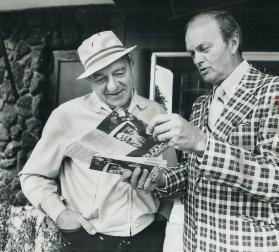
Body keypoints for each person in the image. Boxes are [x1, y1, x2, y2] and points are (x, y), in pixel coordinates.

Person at [124, 11, 279, 252]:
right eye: (192, 53)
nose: (197, 59)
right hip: (197, 244)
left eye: (204, 48)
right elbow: (194, 175)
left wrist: (202, 142)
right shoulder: (201, 105)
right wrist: (159, 178)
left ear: (233, 42)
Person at [19, 31, 176, 252]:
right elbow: (33, 175)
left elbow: (173, 173)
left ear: (131, 65)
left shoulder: (156, 111)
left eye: (119, 72)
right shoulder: (66, 116)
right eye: (100, 78)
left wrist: (163, 215)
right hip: (89, 239)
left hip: (148, 237)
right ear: (90, 80)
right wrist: (60, 214)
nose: (112, 86)